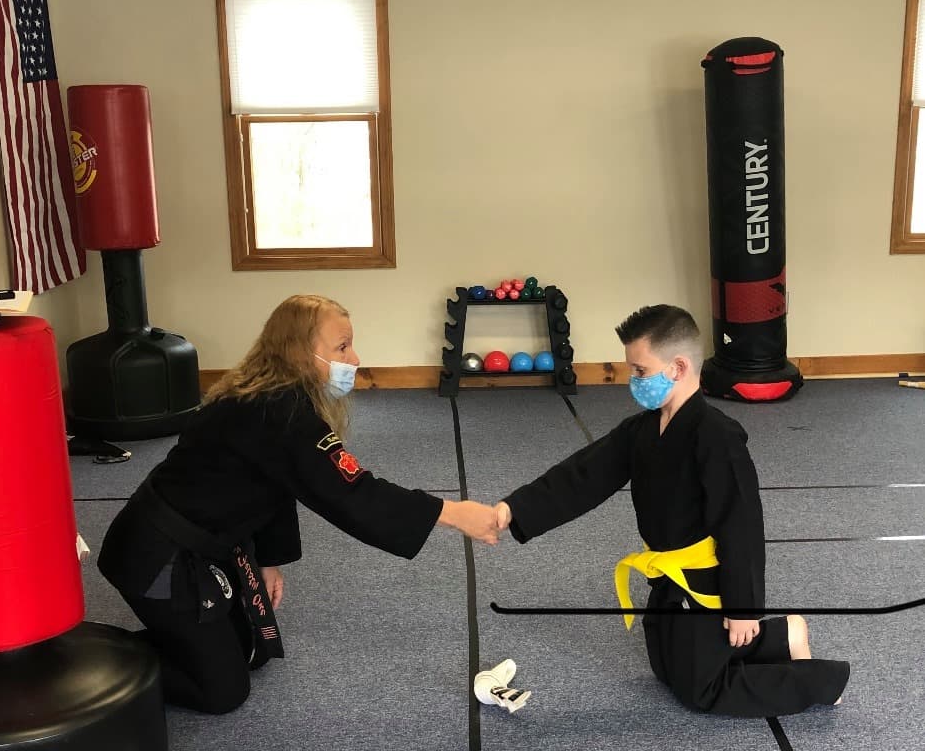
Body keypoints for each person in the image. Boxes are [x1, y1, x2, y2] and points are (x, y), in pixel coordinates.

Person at [98, 294, 500, 714]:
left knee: (248, 647)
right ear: (298, 352)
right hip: (156, 558)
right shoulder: (276, 411)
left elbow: (276, 486)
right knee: (222, 691)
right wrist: (451, 513)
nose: (355, 358)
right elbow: (353, 494)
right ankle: (97, 659)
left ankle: (171, 642)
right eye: (342, 347)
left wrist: (269, 560)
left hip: (189, 545)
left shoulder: (269, 397)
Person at [492, 304, 849, 717]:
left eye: (640, 371)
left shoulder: (717, 437)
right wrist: (513, 510)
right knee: (665, 670)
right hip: (667, 577)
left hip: (705, 581)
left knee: (703, 691)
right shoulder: (642, 429)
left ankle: (821, 682)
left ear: (678, 367)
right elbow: (583, 475)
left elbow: (742, 526)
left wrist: (743, 609)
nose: (633, 381)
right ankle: (783, 634)